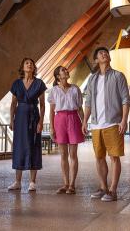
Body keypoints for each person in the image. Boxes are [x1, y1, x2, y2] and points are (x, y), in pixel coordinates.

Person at [81, 47, 130, 202]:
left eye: (106, 52)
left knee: (114, 157)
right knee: (99, 157)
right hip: (96, 124)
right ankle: (103, 187)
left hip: (113, 122)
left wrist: (123, 120)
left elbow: (125, 100)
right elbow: (88, 103)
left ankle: (113, 190)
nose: (104, 54)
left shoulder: (118, 76)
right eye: (101, 53)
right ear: (96, 60)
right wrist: (85, 121)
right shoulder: (92, 79)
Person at [7, 58, 46, 192]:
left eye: (31, 63)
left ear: (34, 68)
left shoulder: (39, 83)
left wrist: (41, 121)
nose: (29, 64)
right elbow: (13, 104)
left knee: (34, 146)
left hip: (34, 117)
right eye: (26, 63)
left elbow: (42, 105)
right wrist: (11, 120)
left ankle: (32, 182)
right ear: (22, 67)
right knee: (19, 147)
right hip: (20, 117)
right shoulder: (17, 83)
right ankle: (17, 182)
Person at [48, 65, 84, 194]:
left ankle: (72, 185)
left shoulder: (75, 89)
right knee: (63, 154)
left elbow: (80, 108)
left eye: (66, 70)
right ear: (58, 76)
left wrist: (84, 123)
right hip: (60, 120)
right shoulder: (54, 91)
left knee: (73, 154)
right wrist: (52, 127)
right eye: (63, 70)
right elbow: (51, 111)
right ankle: (65, 183)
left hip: (74, 119)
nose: (66, 71)